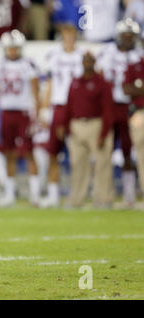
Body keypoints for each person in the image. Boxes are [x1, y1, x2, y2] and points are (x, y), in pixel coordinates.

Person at [0, 30, 41, 207]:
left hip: (24, 113)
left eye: (15, 48)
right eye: (10, 48)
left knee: (28, 152)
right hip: (7, 113)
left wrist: (37, 116)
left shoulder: (28, 64)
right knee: (9, 154)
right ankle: (10, 194)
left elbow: (36, 93)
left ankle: (35, 195)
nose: (12, 51)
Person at [96, 18, 141, 206]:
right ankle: (105, 194)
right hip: (110, 105)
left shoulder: (139, 56)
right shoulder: (107, 53)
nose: (129, 39)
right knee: (104, 151)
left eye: (132, 36)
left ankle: (129, 194)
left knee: (129, 151)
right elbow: (99, 77)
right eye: (125, 36)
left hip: (130, 108)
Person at [40, 22, 84, 208]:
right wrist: (44, 108)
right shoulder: (54, 56)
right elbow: (49, 84)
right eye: (66, 35)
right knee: (53, 153)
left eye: (71, 35)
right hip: (58, 106)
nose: (68, 38)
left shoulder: (82, 56)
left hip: (76, 108)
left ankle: (77, 194)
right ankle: (53, 194)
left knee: (78, 154)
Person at [64, 52, 115, 207]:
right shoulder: (75, 82)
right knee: (78, 164)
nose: (87, 63)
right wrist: (67, 127)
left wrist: (104, 132)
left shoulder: (102, 83)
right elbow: (69, 106)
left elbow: (108, 109)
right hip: (77, 125)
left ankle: (103, 198)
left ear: (94, 62)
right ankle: (77, 199)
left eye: (90, 61)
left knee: (102, 164)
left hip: (96, 124)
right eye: (85, 60)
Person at [123, 42, 144, 202]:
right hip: (139, 113)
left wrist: (139, 88)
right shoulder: (135, 66)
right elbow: (126, 89)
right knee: (141, 154)